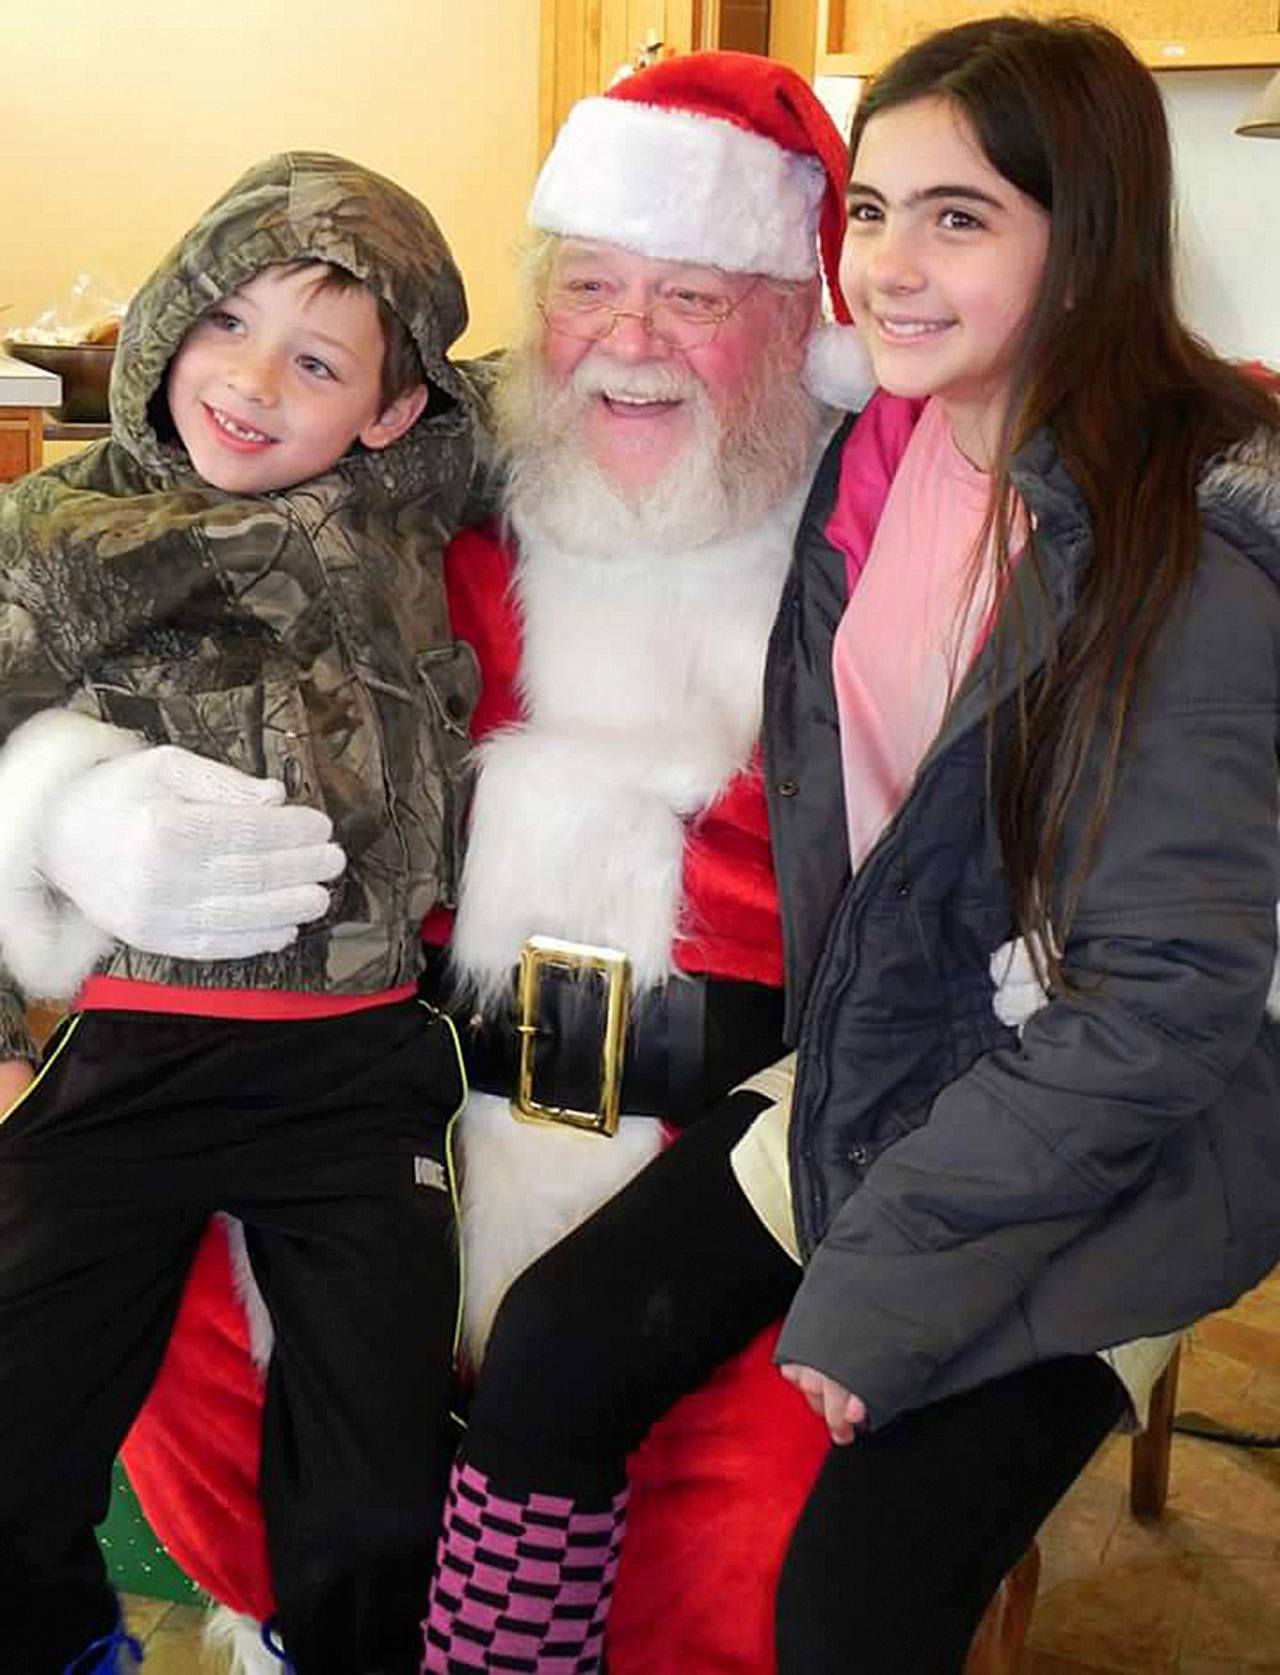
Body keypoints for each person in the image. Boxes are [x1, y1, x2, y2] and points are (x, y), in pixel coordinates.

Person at [415, 17, 1280, 1673]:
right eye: (871, 212)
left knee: (848, 1600)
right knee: (554, 1354)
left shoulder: (1182, 555)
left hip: (1131, 1126)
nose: (890, 264)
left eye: (960, 217)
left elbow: (1161, 1010)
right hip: (904, 1053)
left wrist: (886, 1275)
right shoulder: (886, 456)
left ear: (1087, 239)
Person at [5, 54, 882, 1675]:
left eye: (693, 296)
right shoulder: (415, 506)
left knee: (760, 1541)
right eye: (591, 286)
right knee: (144, 1380)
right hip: (369, 1098)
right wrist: (61, 812)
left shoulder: (876, 546)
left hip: (713, 1163)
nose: (629, 337)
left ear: (794, 327)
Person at [0, 152, 494, 1675]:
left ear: (392, 412)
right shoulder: (63, 529)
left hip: (357, 1072)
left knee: (378, 1502)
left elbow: (596, 393)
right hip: (124, 1058)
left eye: (319, 362)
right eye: (224, 321)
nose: (253, 381)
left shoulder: (418, 501)